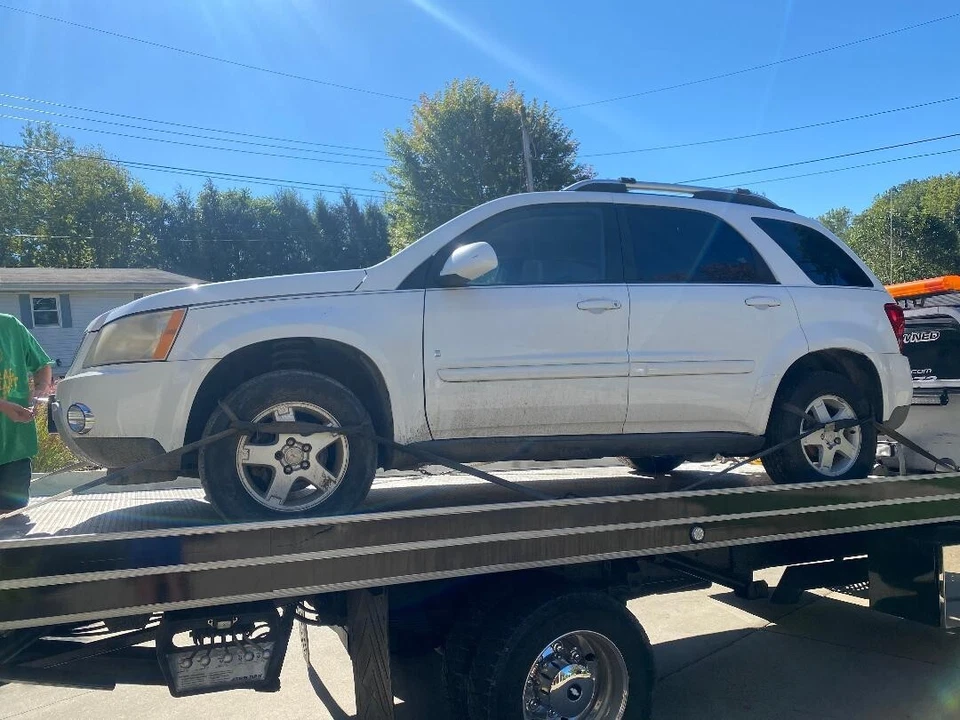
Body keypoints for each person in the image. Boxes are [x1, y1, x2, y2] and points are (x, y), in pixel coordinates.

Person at [0, 313, 53, 512]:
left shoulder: (10, 325)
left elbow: (42, 365)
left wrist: (40, 390)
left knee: (13, 518)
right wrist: (3, 406)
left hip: (16, 447)